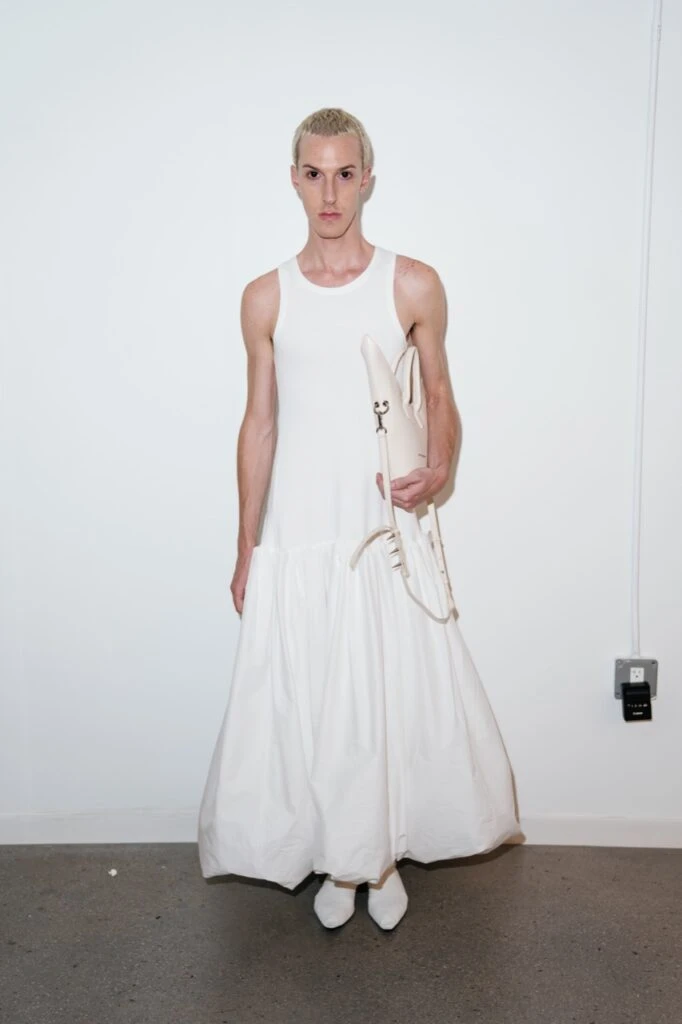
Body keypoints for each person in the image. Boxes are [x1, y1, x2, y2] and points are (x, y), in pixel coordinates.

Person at [197, 107, 520, 931]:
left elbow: (440, 397)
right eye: (315, 174)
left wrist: (438, 466)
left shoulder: (411, 283)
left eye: (345, 173)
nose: (330, 192)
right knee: (317, 700)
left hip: (380, 525)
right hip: (301, 528)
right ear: (294, 180)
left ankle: (378, 859)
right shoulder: (265, 297)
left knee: (382, 696)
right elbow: (259, 422)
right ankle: (342, 860)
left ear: (367, 178)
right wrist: (246, 544)